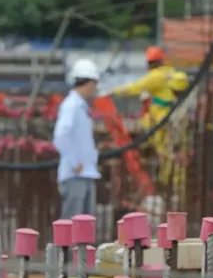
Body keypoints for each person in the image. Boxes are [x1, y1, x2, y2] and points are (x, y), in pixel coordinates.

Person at [109, 45, 189, 182]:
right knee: (176, 153)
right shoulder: (169, 72)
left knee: (165, 153)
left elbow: (134, 88)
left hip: (161, 120)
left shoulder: (155, 76)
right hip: (175, 118)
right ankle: (174, 184)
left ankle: (167, 182)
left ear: (149, 62)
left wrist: (114, 91)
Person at [54, 59, 101, 219]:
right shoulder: (71, 106)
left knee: (85, 228)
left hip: (85, 173)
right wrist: (75, 163)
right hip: (75, 175)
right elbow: (60, 136)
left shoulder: (80, 106)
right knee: (71, 227)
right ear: (88, 82)